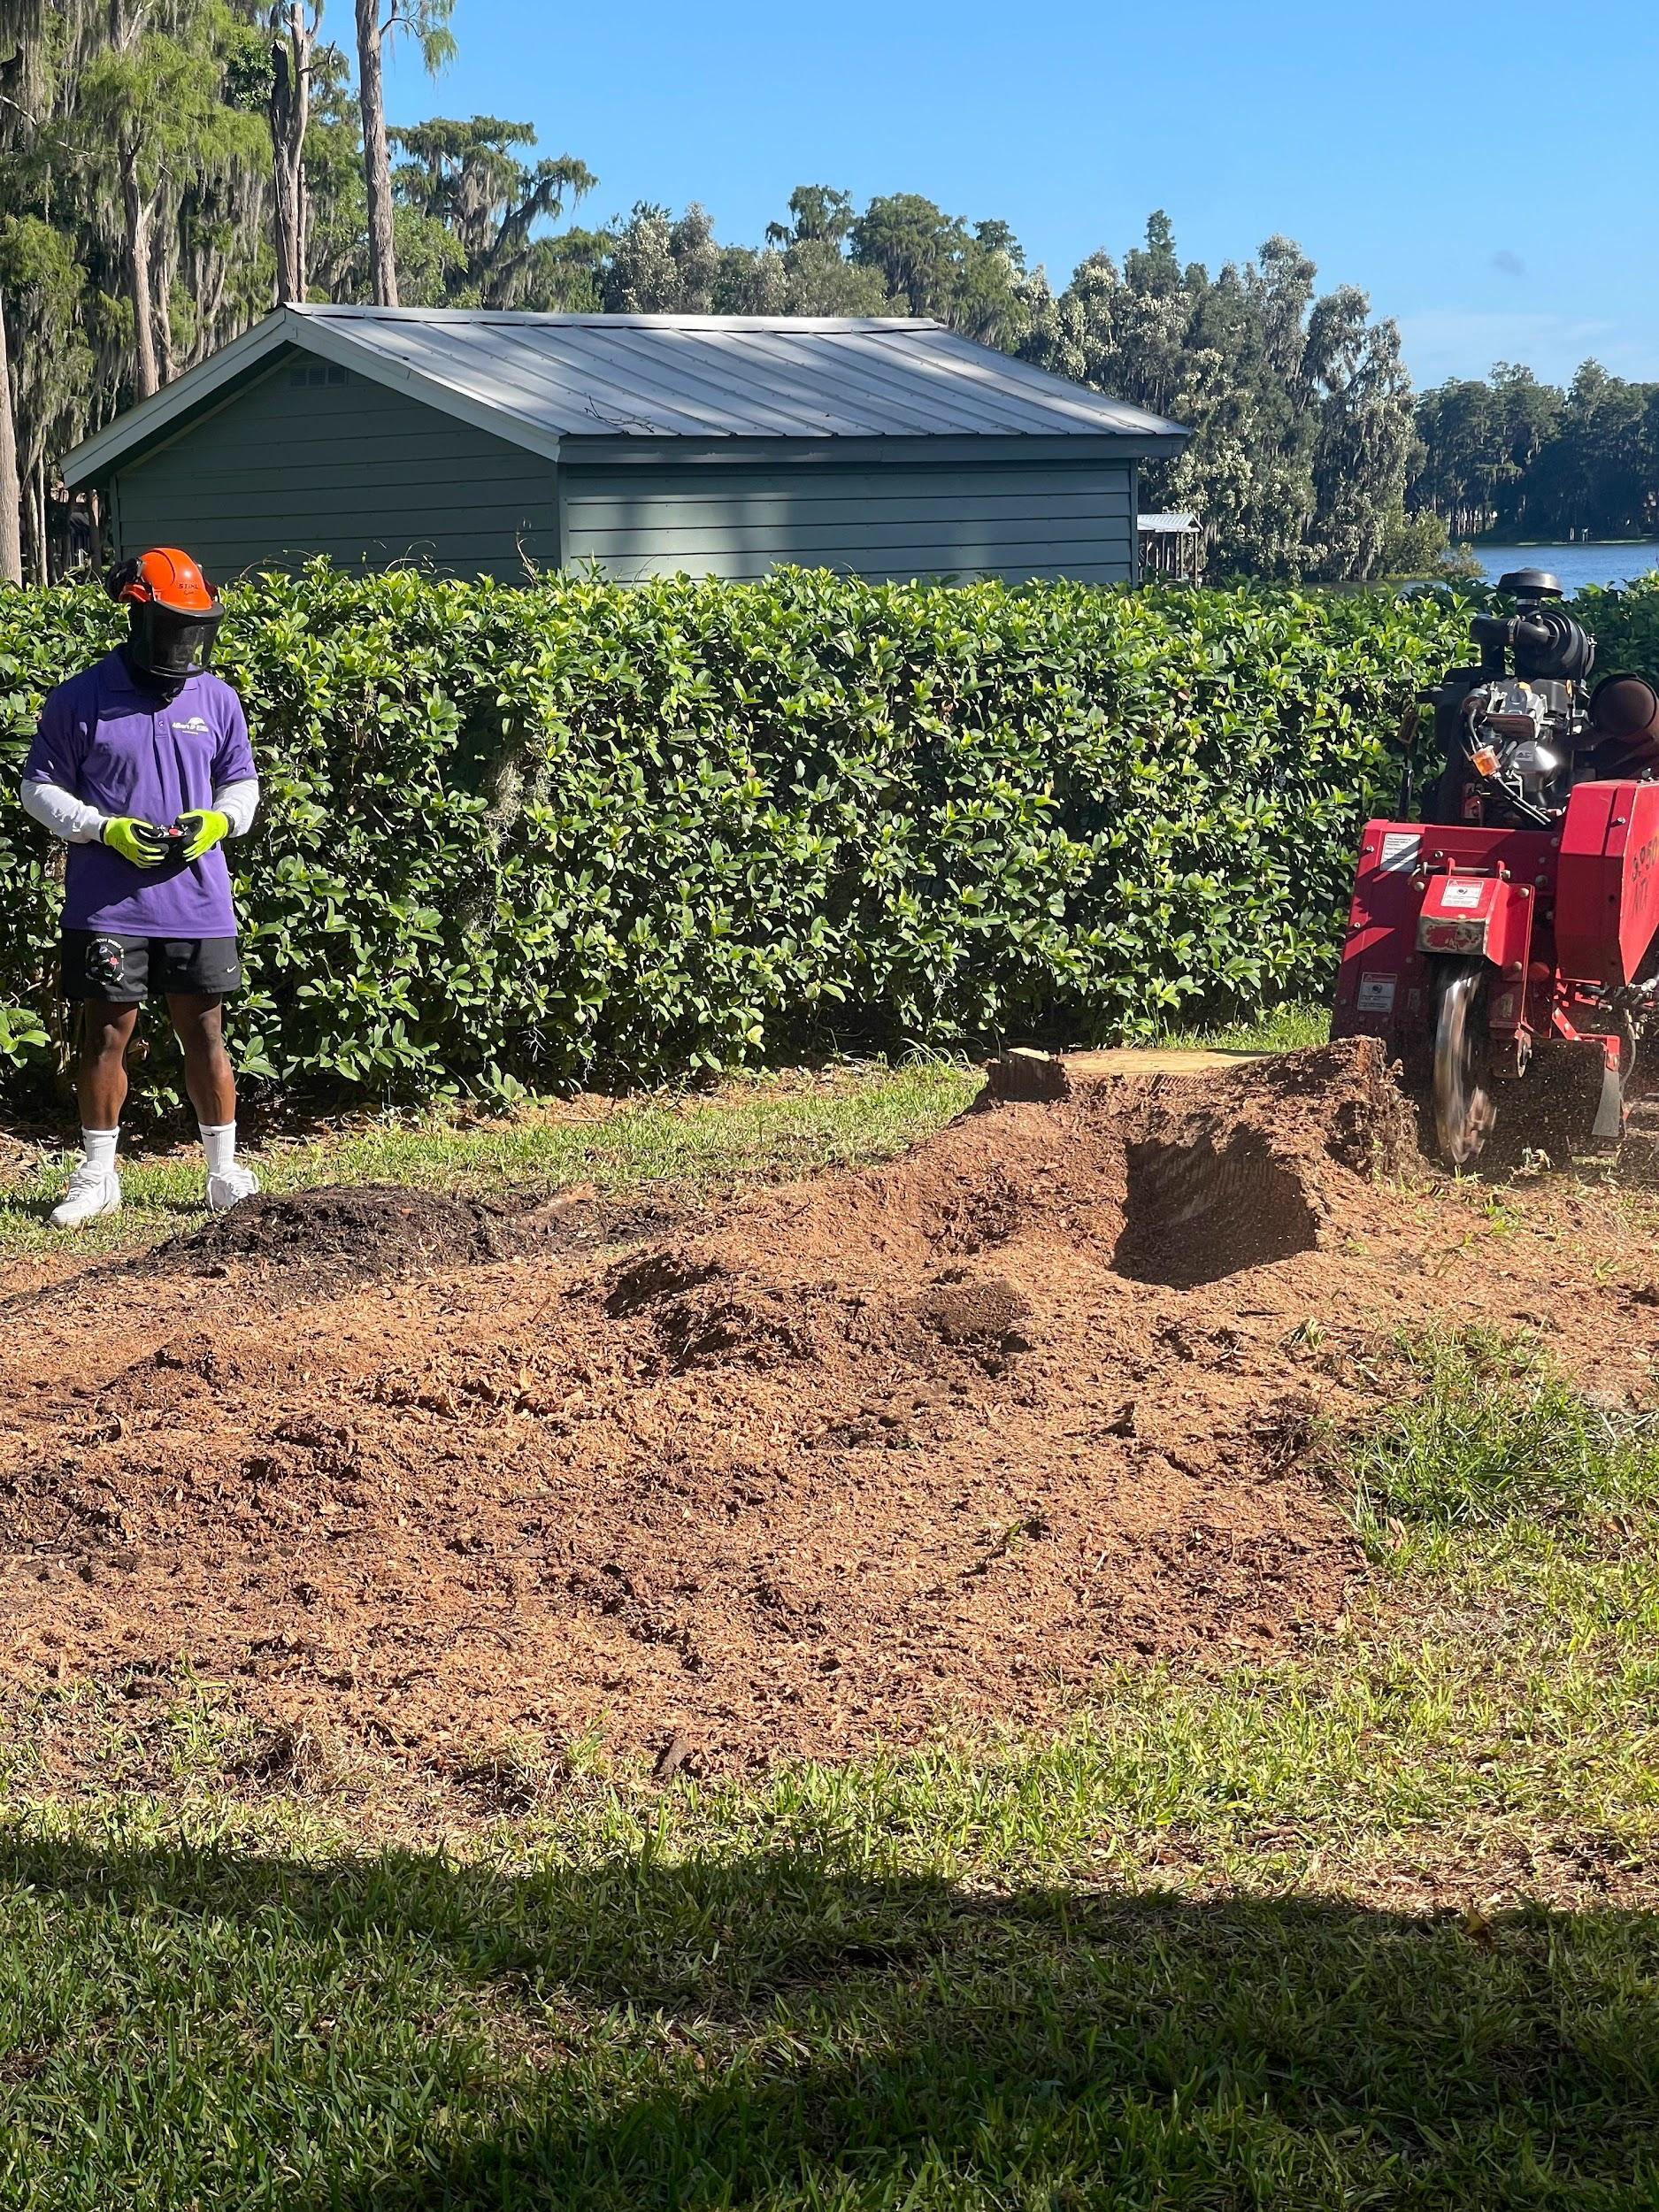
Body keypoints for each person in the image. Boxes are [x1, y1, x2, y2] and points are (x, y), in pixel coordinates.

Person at [19, 547, 263, 1227]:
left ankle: (224, 1175)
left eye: (195, 627)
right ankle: (97, 1177)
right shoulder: (80, 697)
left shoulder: (216, 698)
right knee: (106, 1037)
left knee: (207, 1034)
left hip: (198, 900)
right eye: (171, 626)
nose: (185, 643)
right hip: (109, 905)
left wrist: (220, 820)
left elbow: (241, 780)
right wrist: (102, 829)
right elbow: (37, 788)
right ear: (136, 615)